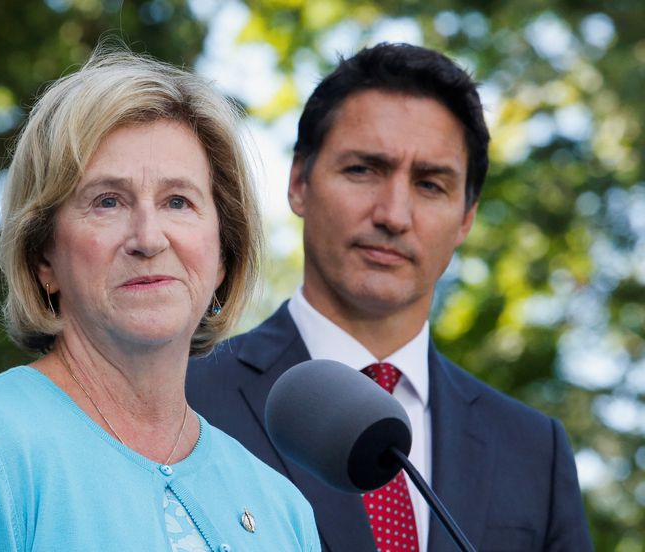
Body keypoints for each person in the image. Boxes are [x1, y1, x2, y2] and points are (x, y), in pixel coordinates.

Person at [0, 48, 321, 552]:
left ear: (223, 255)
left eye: (179, 201)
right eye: (108, 201)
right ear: (44, 256)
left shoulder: (282, 507)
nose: (148, 238)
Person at [186, 43, 592, 552]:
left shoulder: (535, 450)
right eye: (363, 170)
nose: (394, 214)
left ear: (466, 217)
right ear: (299, 183)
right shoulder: (184, 397)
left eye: (430, 184)